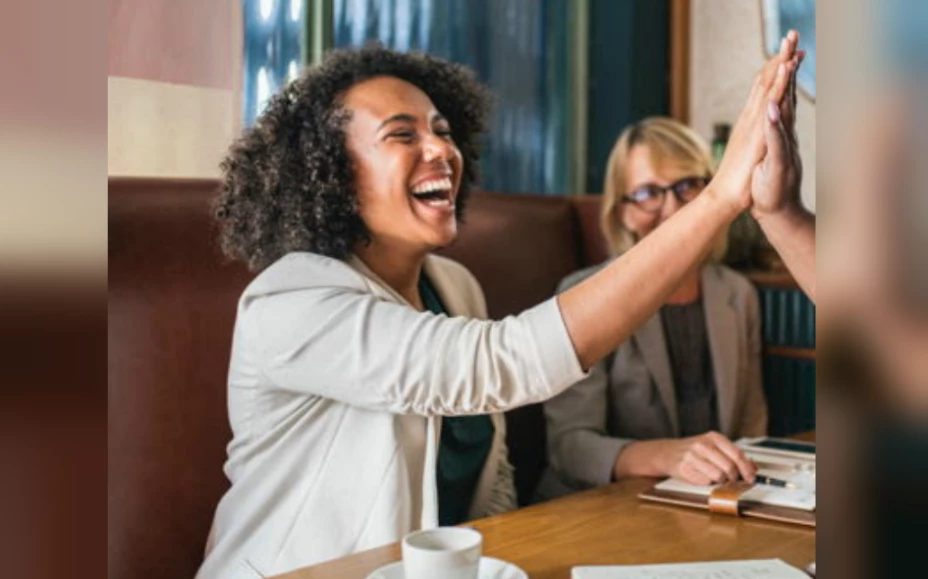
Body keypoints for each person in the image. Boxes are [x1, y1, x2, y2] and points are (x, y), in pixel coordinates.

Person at [196, 35, 800, 578]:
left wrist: (505, 559)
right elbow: (499, 364)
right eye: (403, 134)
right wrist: (720, 197)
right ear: (329, 174)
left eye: (443, 131)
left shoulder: (455, 286)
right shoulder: (291, 300)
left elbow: (492, 474)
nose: (441, 149)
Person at [536, 117, 768, 500]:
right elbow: (569, 447)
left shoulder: (737, 294)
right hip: (601, 505)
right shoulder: (582, 295)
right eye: (648, 193)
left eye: (686, 185)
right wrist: (666, 457)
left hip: (708, 502)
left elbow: (752, 428)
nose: (673, 209)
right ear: (623, 212)